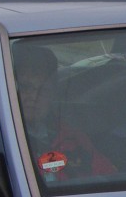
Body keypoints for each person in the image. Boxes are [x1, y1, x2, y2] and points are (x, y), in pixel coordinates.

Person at [14, 44, 114, 182]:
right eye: (26, 88)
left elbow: (110, 178)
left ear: (52, 95)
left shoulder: (73, 138)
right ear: (11, 89)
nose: (34, 97)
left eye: (43, 90)